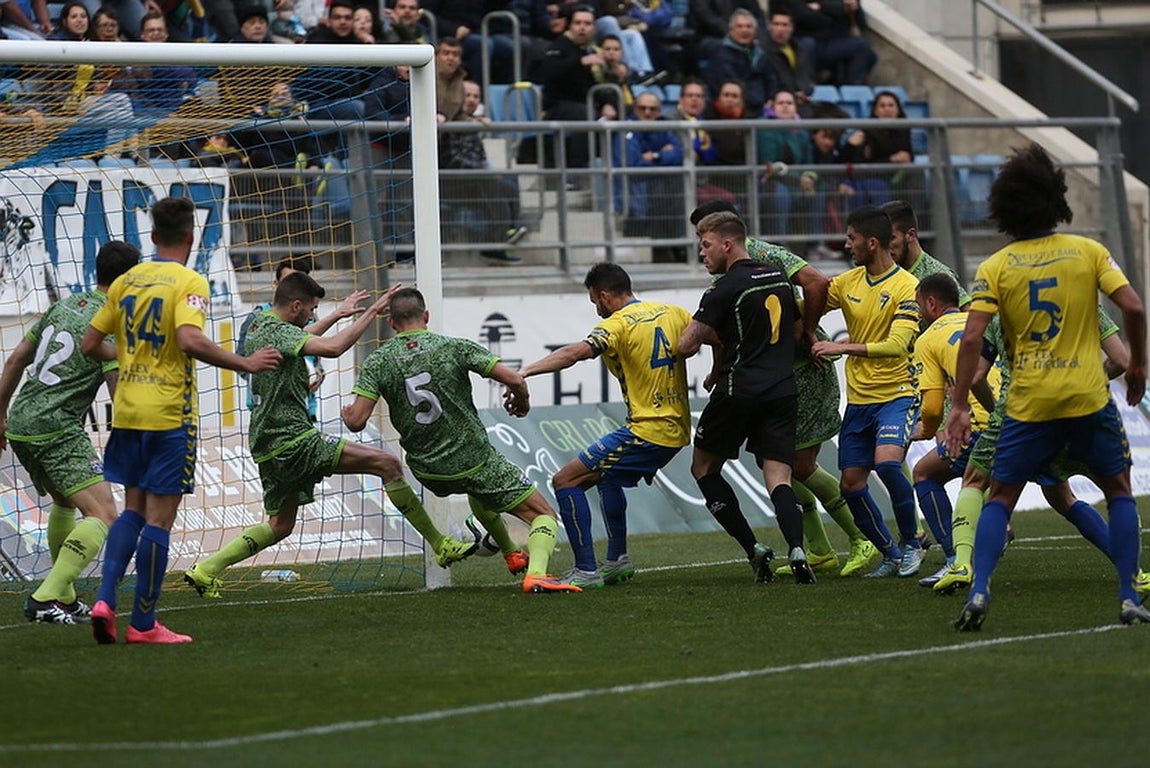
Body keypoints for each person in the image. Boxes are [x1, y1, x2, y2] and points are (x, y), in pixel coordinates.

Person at [943, 143, 1149, 630]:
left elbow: (972, 337)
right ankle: (1128, 594)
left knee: (999, 496)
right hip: (1086, 395)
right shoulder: (1088, 252)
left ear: (1003, 209)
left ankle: (978, 590)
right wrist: (1138, 365)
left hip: (1028, 401)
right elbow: (1135, 308)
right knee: (1118, 490)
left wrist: (958, 406)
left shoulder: (995, 267)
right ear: (1057, 199)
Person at [184, 276, 478, 596]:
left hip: (266, 443)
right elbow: (334, 348)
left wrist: (338, 315)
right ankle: (441, 544)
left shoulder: (260, 324)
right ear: (296, 305)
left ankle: (206, 569)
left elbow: (301, 335)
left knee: (280, 526)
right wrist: (371, 312)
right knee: (387, 464)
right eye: (311, 308)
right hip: (292, 439)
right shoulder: (278, 330)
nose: (312, 315)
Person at [79, 197, 282, 644]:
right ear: (192, 237)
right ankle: (144, 624)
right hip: (169, 414)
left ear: (151, 237)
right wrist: (244, 363)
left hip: (127, 410)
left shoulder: (125, 280)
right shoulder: (189, 281)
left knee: (131, 509)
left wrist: (131, 356)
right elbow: (189, 339)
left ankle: (104, 600)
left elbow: (91, 343)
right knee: (159, 520)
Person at [341, 288, 581, 594]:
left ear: (391, 323)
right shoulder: (453, 347)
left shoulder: (379, 362)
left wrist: (348, 415)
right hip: (475, 460)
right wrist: (521, 401)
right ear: (426, 316)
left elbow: (357, 420)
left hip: (428, 472)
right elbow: (515, 379)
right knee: (543, 515)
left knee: (477, 492)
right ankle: (536, 573)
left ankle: (510, 552)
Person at [688, 200, 876, 578]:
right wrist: (717, 366)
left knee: (799, 464)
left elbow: (818, 281)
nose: (699, 247)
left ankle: (863, 537)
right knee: (778, 464)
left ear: (725, 236)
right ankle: (817, 550)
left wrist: (805, 332)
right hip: (773, 377)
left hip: (800, 369)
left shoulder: (761, 255)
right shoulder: (730, 270)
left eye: (703, 238)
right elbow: (729, 330)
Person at [519, 263, 692, 588]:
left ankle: (586, 569)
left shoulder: (617, 325)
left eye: (594, 301)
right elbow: (709, 335)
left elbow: (574, 353)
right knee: (606, 478)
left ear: (604, 295)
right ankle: (617, 560)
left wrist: (525, 371)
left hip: (647, 430)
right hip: (678, 427)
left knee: (566, 480)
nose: (596, 308)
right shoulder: (673, 312)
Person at [0, 242, 139, 624]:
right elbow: (117, 393)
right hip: (56, 428)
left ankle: (64, 594)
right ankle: (44, 597)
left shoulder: (63, 306)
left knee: (64, 502)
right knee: (106, 514)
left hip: (23, 421)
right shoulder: (109, 324)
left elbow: (14, 360)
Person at [677, 211, 814, 584]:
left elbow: (686, 346)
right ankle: (797, 548)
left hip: (739, 391)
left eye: (705, 245)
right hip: (783, 389)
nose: (701, 253)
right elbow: (798, 329)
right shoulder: (779, 278)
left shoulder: (723, 289)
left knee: (703, 469)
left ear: (727, 244)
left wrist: (700, 327)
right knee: (779, 477)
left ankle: (753, 548)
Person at [810, 204, 923, 578]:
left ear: (872, 242)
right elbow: (808, 303)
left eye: (852, 238)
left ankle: (911, 544)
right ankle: (888, 552)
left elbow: (897, 344)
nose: (847, 244)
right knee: (851, 483)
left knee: (889, 463)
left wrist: (840, 348)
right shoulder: (847, 283)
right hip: (859, 400)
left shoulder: (908, 287)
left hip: (897, 393)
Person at [909, 273, 1000, 587]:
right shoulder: (981, 326)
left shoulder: (928, 338)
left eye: (920, 305)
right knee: (1061, 495)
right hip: (1016, 418)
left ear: (932, 303)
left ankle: (954, 560)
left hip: (976, 427)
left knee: (924, 473)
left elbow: (932, 407)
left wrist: (926, 430)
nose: (919, 312)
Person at [238, 260, 365, 423]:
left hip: (304, 407)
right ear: (277, 284)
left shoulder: (306, 317)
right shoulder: (261, 320)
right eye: (290, 280)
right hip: (274, 412)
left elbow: (314, 357)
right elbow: (333, 347)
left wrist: (317, 376)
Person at [531, 4, 602, 173]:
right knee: (586, 115)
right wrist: (579, 63)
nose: (582, 28)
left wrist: (608, 103)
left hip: (587, 102)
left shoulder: (592, 50)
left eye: (587, 24)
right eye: (578, 23)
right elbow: (547, 72)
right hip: (558, 105)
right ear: (570, 25)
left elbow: (600, 84)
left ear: (594, 28)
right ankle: (576, 171)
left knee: (624, 113)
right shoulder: (559, 46)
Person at [616, 91, 684, 244]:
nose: (647, 113)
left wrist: (656, 156)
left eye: (652, 109)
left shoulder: (665, 129)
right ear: (635, 110)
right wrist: (665, 161)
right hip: (636, 204)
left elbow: (679, 156)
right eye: (642, 108)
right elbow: (634, 167)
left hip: (664, 199)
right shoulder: (626, 131)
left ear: (659, 112)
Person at [881, 199, 969, 312]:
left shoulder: (937, 274)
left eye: (891, 238)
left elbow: (967, 316)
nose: (884, 246)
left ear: (911, 235)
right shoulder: (880, 273)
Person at [756, 89, 816, 238]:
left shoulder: (802, 131)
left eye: (789, 103)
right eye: (780, 103)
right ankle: (779, 244)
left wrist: (809, 178)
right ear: (772, 106)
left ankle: (815, 245)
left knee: (820, 192)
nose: (785, 106)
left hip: (797, 182)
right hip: (770, 181)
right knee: (780, 193)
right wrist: (798, 180)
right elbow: (768, 164)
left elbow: (809, 162)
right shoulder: (765, 128)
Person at [703, 9, 775, 114]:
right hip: (736, 111)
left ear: (755, 31)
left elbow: (771, 79)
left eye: (748, 26)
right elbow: (728, 85)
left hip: (763, 107)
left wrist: (771, 98)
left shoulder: (762, 54)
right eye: (740, 26)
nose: (744, 30)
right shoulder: (721, 55)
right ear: (731, 30)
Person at [762, 9, 815, 110]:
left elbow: (808, 76)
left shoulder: (800, 49)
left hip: (801, 101)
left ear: (792, 28)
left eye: (784, 25)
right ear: (769, 27)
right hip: (776, 102)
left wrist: (805, 91)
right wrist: (792, 94)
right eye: (776, 24)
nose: (780, 29)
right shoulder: (762, 51)